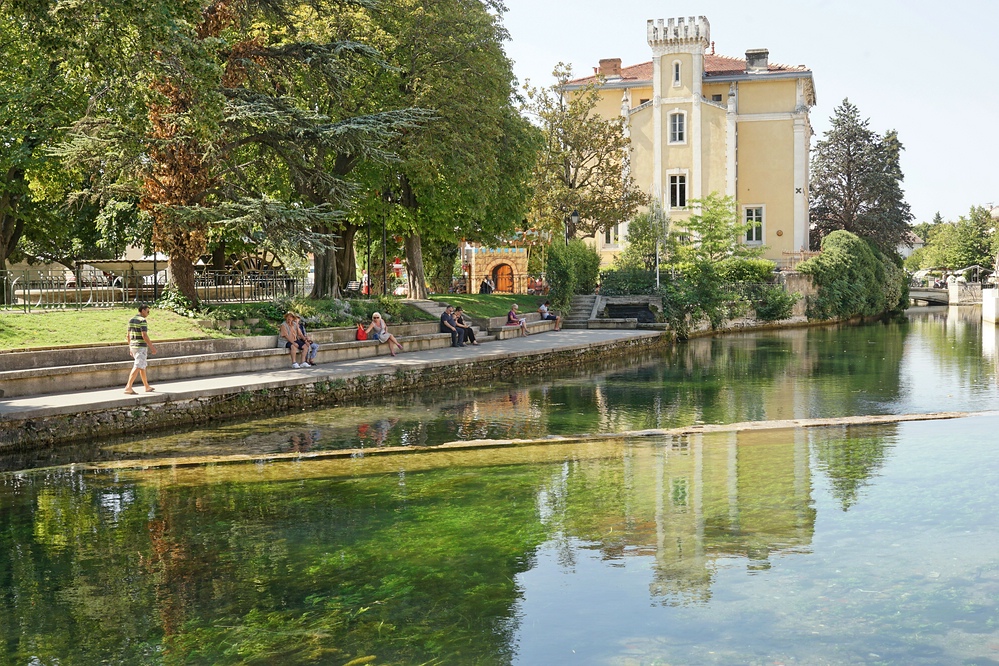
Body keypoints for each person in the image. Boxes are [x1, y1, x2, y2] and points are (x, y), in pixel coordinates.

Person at [124, 303, 158, 394]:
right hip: (140, 347)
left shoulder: (131, 320)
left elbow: (128, 335)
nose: (148, 314)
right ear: (142, 310)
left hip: (133, 346)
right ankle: (128, 386)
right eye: (147, 311)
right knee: (138, 365)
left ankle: (146, 386)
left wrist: (130, 347)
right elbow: (144, 335)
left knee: (142, 366)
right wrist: (152, 347)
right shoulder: (142, 320)